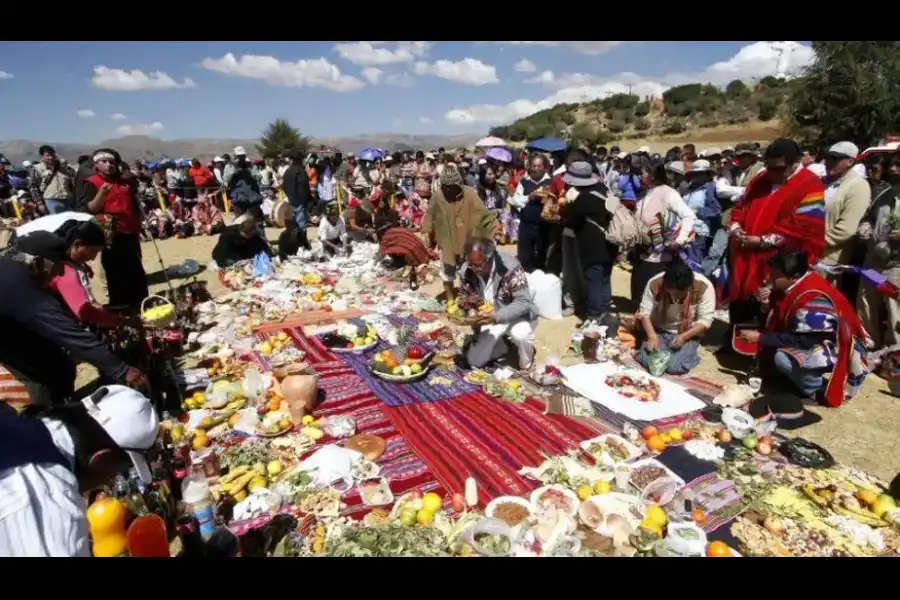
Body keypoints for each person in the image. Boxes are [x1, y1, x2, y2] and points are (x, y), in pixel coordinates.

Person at [0, 385, 160, 557]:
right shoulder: (57, 512)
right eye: (118, 472)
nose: (110, 481)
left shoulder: (19, 425)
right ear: (100, 459)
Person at [0, 232, 146, 406]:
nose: (61, 272)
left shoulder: (13, 266)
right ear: (38, 263)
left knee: (60, 364)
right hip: (6, 334)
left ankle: (65, 405)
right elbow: (70, 333)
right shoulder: (21, 287)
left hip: (9, 323)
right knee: (41, 378)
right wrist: (121, 369)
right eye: (58, 267)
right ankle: (50, 420)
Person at [739, 251, 869, 423]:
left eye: (775, 276)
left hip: (833, 346)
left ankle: (816, 390)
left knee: (783, 357)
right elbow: (783, 315)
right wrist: (765, 302)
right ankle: (792, 378)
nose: (770, 279)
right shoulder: (795, 287)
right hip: (812, 338)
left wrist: (761, 338)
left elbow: (804, 341)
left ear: (794, 277)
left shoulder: (813, 298)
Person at [727, 139, 826, 337]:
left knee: (769, 305)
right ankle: (736, 339)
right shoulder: (761, 180)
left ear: (795, 162)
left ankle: (766, 347)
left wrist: (764, 241)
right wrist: (737, 228)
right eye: (769, 167)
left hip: (779, 262)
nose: (772, 173)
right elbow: (740, 207)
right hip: (746, 253)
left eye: (779, 168)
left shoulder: (810, 184)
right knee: (741, 299)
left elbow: (805, 228)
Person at [17, 214, 139, 329]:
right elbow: (85, 312)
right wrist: (124, 322)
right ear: (77, 244)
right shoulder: (62, 268)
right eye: (93, 251)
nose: (93, 258)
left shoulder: (47, 246)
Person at [78, 149, 149, 308]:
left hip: (130, 230)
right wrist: (101, 194)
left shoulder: (123, 181)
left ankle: (141, 300)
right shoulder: (92, 182)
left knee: (135, 266)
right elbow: (91, 208)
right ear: (96, 164)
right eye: (104, 162)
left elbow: (132, 204)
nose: (108, 165)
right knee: (115, 269)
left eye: (111, 162)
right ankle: (121, 305)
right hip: (110, 232)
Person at [457, 237, 537, 370]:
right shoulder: (467, 269)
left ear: (490, 258)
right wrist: (471, 313)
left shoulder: (510, 267)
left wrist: (497, 316)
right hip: (488, 317)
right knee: (474, 361)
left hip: (513, 315)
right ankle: (502, 345)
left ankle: (527, 364)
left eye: (477, 264)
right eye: (470, 263)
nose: (473, 269)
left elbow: (524, 302)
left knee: (522, 334)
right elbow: (464, 296)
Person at [422, 166, 498, 301]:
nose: (450, 190)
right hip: (447, 240)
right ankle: (450, 299)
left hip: (466, 238)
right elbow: (430, 216)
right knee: (447, 271)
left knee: (469, 269)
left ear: (459, 184)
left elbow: (483, 213)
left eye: (453, 187)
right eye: (446, 187)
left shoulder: (469, 194)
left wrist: (494, 227)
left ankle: (469, 297)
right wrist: (427, 232)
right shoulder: (438, 197)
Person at [559, 161, 618, 321]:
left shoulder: (583, 199)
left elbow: (571, 221)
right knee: (605, 279)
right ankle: (605, 312)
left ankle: (594, 316)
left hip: (592, 247)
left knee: (593, 281)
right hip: (610, 243)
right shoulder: (604, 190)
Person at [636, 260, 715, 375]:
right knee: (650, 361)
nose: (676, 297)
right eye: (673, 293)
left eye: (680, 294)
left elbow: (705, 320)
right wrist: (652, 336)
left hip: (686, 333)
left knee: (674, 367)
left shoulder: (704, 286)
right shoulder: (655, 283)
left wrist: (683, 337)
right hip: (659, 331)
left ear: (689, 287)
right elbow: (644, 313)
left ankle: (690, 354)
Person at [632, 162, 697, 303]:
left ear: (652, 175)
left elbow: (688, 216)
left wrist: (679, 240)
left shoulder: (668, 193)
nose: (639, 176)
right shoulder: (645, 194)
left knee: (655, 301)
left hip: (660, 260)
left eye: (642, 173)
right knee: (639, 300)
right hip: (642, 256)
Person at [857, 154, 900, 348]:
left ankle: (895, 353)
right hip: (874, 259)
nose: (893, 170)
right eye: (892, 165)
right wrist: (865, 227)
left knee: (895, 309)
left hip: (896, 264)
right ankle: (868, 342)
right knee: (866, 301)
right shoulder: (886, 194)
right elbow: (869, 216)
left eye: (898, 166)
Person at [821, 142, 871, 304]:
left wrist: (818, 243)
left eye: (835, 159)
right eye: (827, 158)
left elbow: (847, 229)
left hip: (831, 256)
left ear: (850, 161)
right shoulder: (824, 182)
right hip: (812, 251)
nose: (828, 162)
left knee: (826, 300)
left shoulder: (858, 186)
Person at [510, 154, 554, 273]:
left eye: (539, 166)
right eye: (533, 165)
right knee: (525, 255)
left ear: (545, 168)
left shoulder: (551, 182)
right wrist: (529, 197)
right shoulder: (524, 182)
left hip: (545, 226)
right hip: (527, 225)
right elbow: (515, 200)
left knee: (543, 255)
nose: (536, 168)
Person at [376, 210, 432, 290]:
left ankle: (404, 265)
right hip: (421, 251)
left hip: (412, 255)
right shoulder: (398, 229)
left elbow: (381, 252)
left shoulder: (386, 236)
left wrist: (375, 263)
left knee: (391, 255)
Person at [680, 159, 721, 263]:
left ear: (707, 174)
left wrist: (697, 211)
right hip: (685, 230)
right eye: (695, 174)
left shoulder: (709, 188)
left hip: (699, 232)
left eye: (700, 174)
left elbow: (716, 210)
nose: (696, 176)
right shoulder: (688, 189)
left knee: (695, 262)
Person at [33, 145, 74, 214]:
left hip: (67, 198)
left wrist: (66, 165)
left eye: (52, 155)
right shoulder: (37, 169)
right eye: (48, 155)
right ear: (42, 157)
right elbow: (33, 187)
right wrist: (39, 203)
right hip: (51, 200)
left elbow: (73, 176)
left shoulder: (63, 166)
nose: (51, 157)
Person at [226, 152, 263, 222]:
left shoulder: (250, 166)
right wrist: (234, 169)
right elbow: (226, 179)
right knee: (240, 222)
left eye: (242, 157)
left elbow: (259, 177)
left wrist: (250, 171)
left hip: (253, 198)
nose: (240, 159)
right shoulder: (230, 167)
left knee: (256, 221)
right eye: (238, 157)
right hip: (238, 199)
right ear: (235, 157)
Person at [282, 152, 311, 230]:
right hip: (299, 201)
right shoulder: (300, 171)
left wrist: (289, 196)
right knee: (302, 224)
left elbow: (284, 186)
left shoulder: (288, 171)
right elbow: (304, 187)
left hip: (290, 200)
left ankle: (295, 240)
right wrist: (304, 201)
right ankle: (302, 240)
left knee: (294, 223)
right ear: (300, 160)